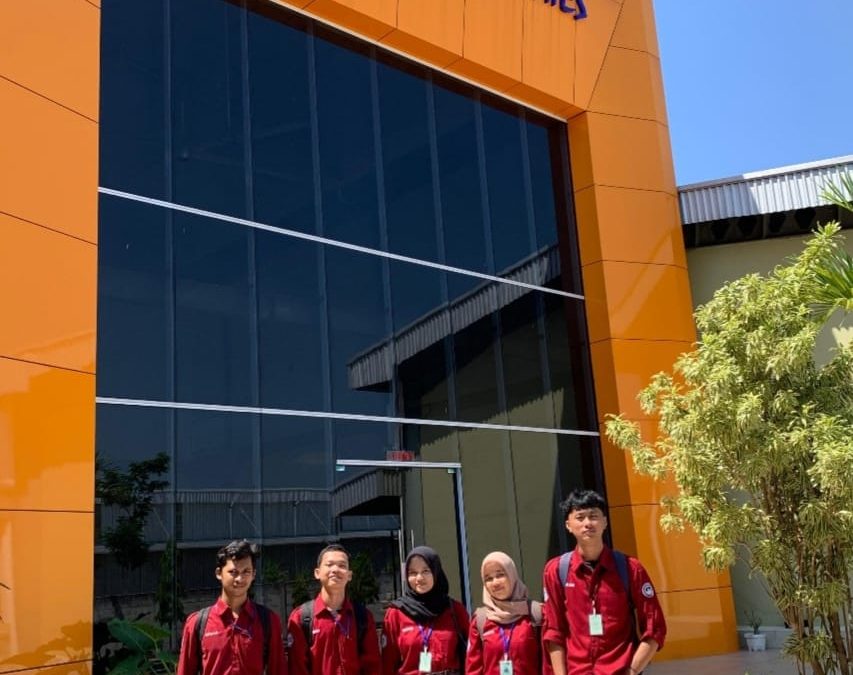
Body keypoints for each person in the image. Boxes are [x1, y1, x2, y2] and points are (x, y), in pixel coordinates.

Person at [542, 490, 666, 675]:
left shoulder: (630, 568)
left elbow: (654, 628)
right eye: (580, 517)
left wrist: (632, 670)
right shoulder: (556, 570)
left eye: (593, 516)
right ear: (568, 525)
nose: (587, 523)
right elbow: (554, 631)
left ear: (605, 522)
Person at [177, 539, 287, 675]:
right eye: (233, 572)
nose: (240, 579)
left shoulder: (268, 621)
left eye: (246, 572)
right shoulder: (197, 624)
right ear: (219, 573)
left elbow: (278, 670)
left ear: (254, 574)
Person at [287, 544, 381, 675]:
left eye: (342, 565)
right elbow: (297, 669)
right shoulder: (301, 618)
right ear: (317, 573)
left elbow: (372, 666)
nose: (335, 569)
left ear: (349, 575)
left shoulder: (363, 617)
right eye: (329, 564)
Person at [382, 546, 470, 675]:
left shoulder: (455, 610)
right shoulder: (396, 613)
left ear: (436, 572)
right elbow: (387, 663)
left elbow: (471, 657)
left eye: (426, 571)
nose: (419, 578)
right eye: (413, 573)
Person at [466, 552, 543, 675]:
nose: (495, 583)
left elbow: (548, 664)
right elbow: (473, 669)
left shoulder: (535, 613)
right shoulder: (480, 620)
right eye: (488, 578)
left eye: (500, 575)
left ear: (512, 575)